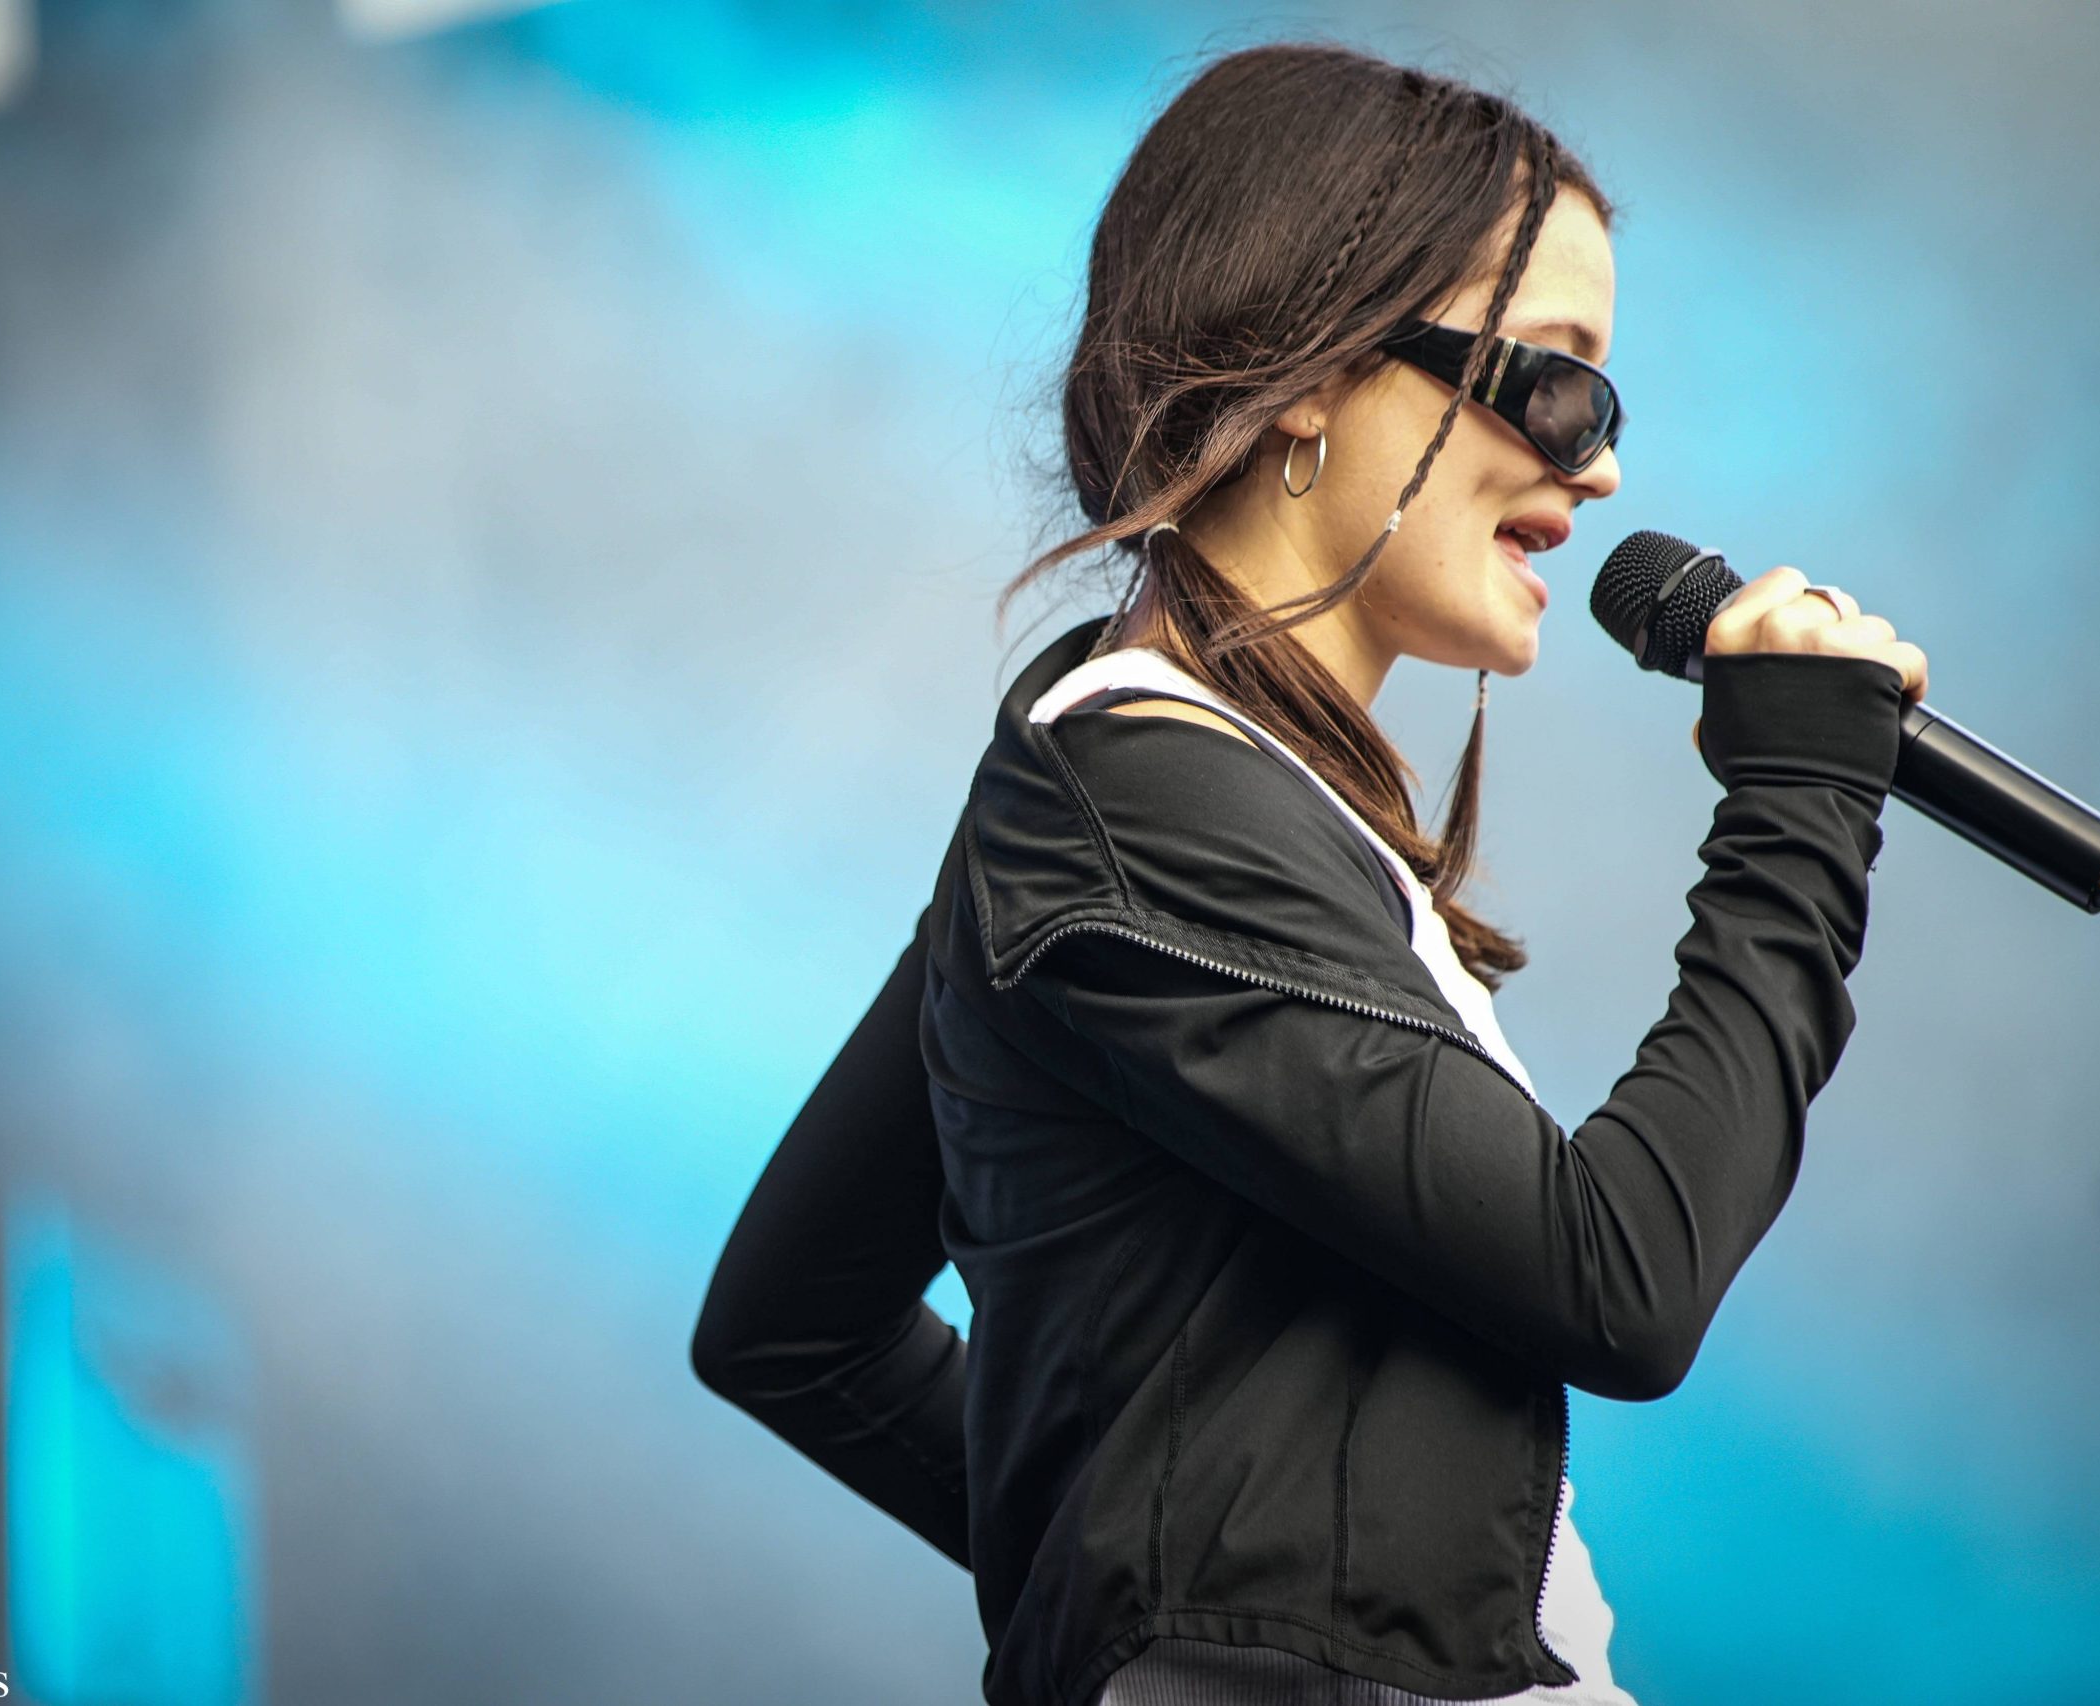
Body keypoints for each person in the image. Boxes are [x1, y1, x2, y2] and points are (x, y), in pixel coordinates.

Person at [692, 41, 1928, 1706]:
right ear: (1308, 374)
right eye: (1557, 386)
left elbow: (792, 1324)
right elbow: (1620, 1277)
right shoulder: (1135, 797)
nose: (1599, 468)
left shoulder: (1135, 792)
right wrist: (1799, 813)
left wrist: (1131, 1557)